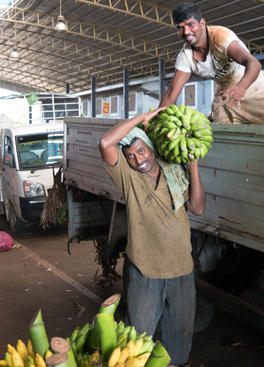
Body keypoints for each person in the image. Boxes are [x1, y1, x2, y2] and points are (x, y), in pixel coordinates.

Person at [99, 108, 205, 367]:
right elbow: (105, 143)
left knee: (179, 339)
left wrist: (193, 167)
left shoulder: (175, 169)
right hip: (145, 270)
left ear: (151, 147)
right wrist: (142, 117)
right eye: (131, 156)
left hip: (182, 268)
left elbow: (198, 208)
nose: (137, 159)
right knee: (137, 339)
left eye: (141, 151)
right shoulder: (129, 178)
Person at [160, 2, 264, 126]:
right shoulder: (186, 56)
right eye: (180, 27)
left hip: (255, 92)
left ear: (202, 23)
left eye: (191, 24)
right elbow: (171, 93)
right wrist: (156, 119)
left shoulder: (220, 37)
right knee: (224, 140)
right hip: (226, 99)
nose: (186, 31)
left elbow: (254, 63)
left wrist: (241, 87)